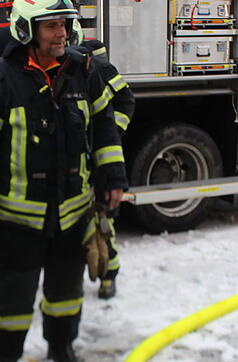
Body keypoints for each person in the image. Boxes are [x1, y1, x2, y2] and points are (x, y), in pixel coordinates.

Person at [0, 0, 128, 362]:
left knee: (66, 297)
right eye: (51, 25)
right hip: (17, 223)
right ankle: (6, 355)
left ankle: (61, 349)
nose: (62, 33)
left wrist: (112, 178)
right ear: (27, 30)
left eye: (65, 25)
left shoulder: (83, 72)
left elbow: (103, 126)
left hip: (70, 217)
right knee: (13, 305)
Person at [80, 39, 134, 300]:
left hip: (101, 160)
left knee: (103, 221)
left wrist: (113, 133)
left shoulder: (99, 69)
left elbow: (125, 101)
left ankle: (109, 276)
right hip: (80, 160)